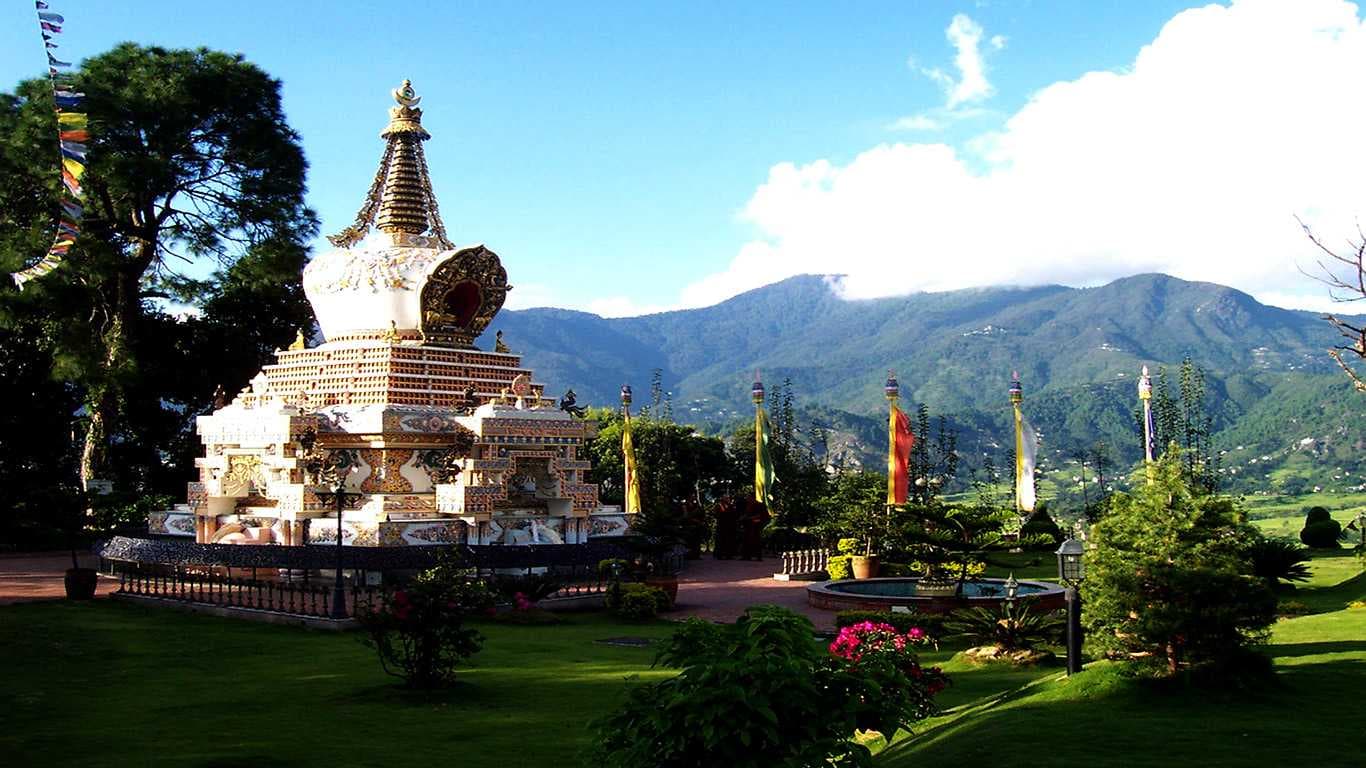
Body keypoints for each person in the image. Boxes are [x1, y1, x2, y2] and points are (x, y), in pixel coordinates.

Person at [712, 495, 738, 560]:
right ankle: (720, 555)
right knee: (721, 540)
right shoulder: (719, 505)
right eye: (726, 498)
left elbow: (734, 514)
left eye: (728, 498)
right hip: (721, 525)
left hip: (729, 526)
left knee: (729, 540)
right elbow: (716, 514)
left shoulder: (731, 506)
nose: (728, 499)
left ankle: (729, 555)